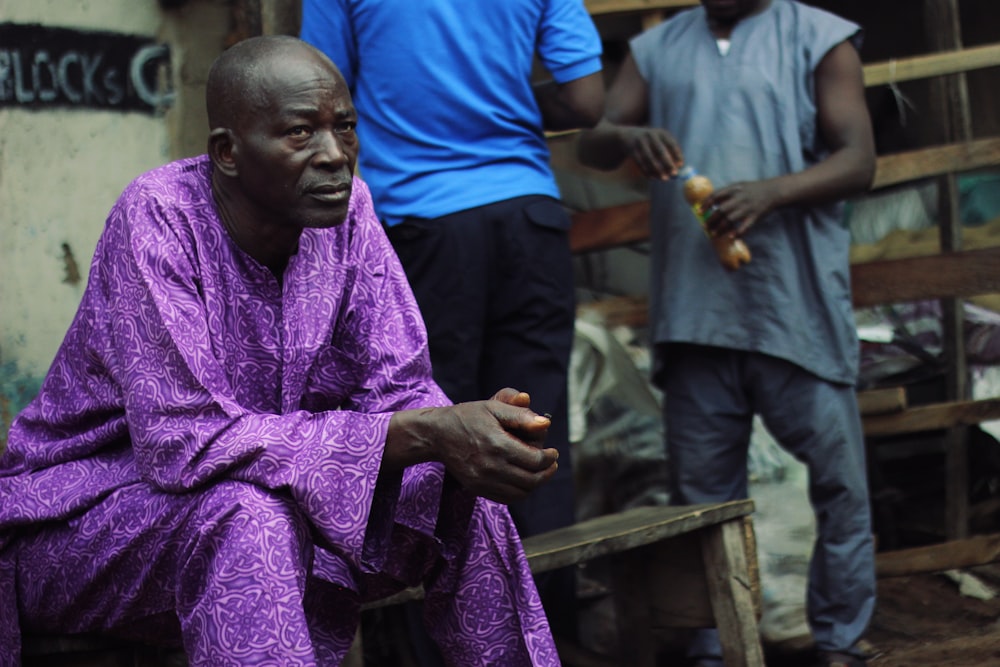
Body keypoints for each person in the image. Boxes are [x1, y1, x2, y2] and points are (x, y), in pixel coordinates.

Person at [0, 35, 566, 667]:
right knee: (248, 515)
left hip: (273, 501)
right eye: (301, 134)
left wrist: (472, 432)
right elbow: (181, 443)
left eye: (344, 128)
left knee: (459, 486)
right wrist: (418, 433)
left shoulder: (347, 211)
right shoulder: (159, 216)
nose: (334, 156)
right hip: (82, 527)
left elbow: (401, 389)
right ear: (227, 153)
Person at [576, 1, 877, 666]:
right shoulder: (657, 50)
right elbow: (592, 140)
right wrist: (628, 138)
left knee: (839, 483)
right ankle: (712, 649)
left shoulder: (819, 39)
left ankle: (840, 642)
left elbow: (859, 161)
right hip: (695, 313)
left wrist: (772, 193)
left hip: (791, 304)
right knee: (702, 502)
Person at [299, 0, 605, 645]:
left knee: (427, 436)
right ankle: (547, 643)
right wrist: (502, 104)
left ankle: (423, 648)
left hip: (421, 222)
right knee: (537, 434)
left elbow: (313, 85)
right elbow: (585, 101)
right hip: (528, 215)